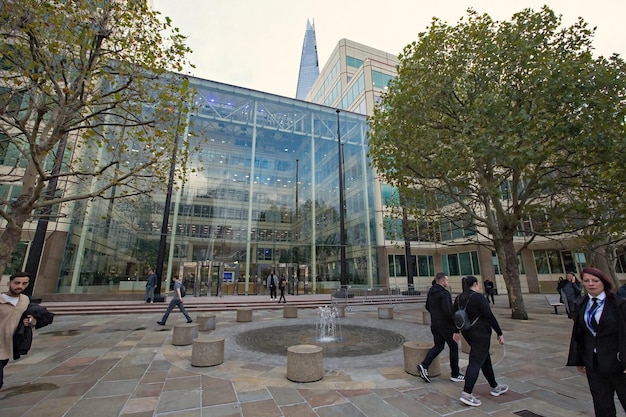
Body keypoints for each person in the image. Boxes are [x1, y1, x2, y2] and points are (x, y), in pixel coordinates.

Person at [566, 267, 626, 416]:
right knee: (602, 404)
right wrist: (579, 358)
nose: (591, 284)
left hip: (618, 362)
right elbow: (579, 333)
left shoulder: (619, 304)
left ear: (603, 282)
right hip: (594, 363)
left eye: (595, 280)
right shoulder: (582, 304)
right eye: (586, 281)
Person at [454, 275, 507, 407]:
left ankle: (495, 386)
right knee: (475, 362)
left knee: (484, 358)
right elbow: (489, 316)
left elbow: (454, 316)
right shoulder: (478, 297)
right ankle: (467, 394)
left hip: (468, 333)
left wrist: (456, 332)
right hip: (481, 333)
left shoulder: (459, 298)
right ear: (475, 284)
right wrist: (499, 333)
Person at [417, 272, 464, 383]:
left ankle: (424, 365)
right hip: (446, 326)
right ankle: (455, 373)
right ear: (442, 281)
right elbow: (448, 312)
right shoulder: (444, 293)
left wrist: (435, 315)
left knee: (439, 346)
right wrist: (455, 325)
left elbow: (428, 306)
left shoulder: (431, 292)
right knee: (453, 347)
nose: (448, 282)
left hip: (435, 324)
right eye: (447, 280)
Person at [1, 272, 34, 390]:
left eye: (24, 283)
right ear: (9, 283)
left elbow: (29, 316)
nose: (20, 286)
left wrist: (30, 321)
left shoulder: (25, 300)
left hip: (9, 344)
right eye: (17, 283)